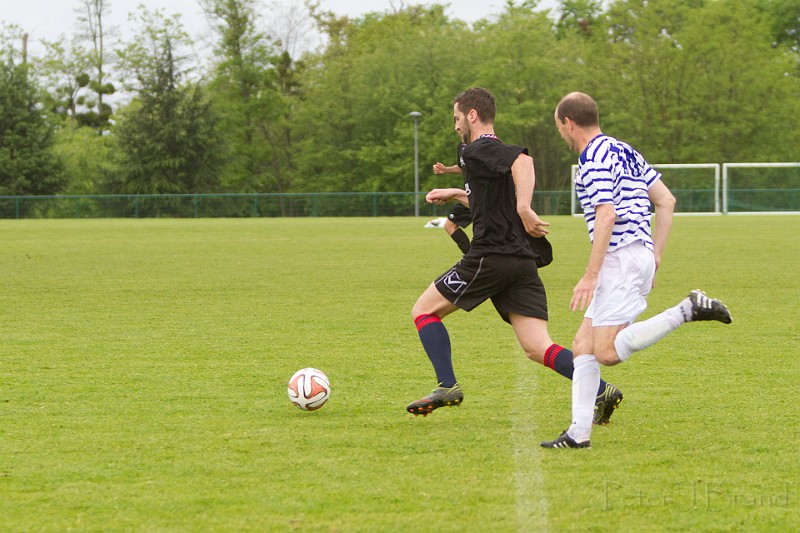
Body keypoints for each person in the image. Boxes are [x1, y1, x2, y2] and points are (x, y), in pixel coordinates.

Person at [407, 87, 623, 424]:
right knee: (538, 347)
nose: (455, 126)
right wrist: (455, 193)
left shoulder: (480, 148)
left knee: (423, 311)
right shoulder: (480, 157)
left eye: (456, 118)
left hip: (491, 255)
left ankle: (447, 385)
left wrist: (524, 207)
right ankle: (601, 390)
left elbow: (523, 160)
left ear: (472, 115)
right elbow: (490, 201)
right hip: (521, 262)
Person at [541, 92, 732, 449]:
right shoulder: (624, 149)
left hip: (619, 260)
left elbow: (606, 214)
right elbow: (666, 200)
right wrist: (655, 255)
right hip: (636, 255)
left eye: (559, 128)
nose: (562, 136)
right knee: (582, 345)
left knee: (607, 352)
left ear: (568, 123)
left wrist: (592, 273)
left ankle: (687, 309)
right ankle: (578, 434)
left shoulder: (592, 157)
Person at [432, 145, 472, 254]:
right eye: (455, 126)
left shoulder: (481, 143)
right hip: (469, 193)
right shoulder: (461, 146)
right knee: (450, 225)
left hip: (486, 194)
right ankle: (472, 258)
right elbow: (462, 167)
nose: (457, 128)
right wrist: (446, 169)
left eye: (458, 126)